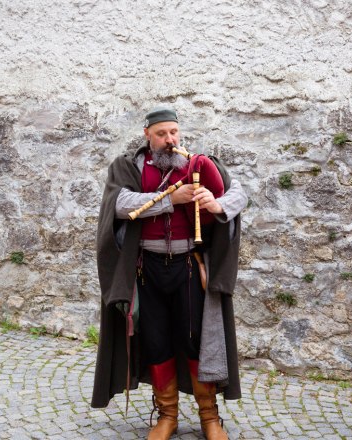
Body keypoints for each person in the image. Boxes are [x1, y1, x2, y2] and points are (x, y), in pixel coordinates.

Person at [91, 106, 246, 440]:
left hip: (188, 267)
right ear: (148, 135)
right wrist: (171, 199)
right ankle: (167, 416)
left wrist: (217, 205)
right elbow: (118, 204)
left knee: (195, 342)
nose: (169, 140)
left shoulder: (199, 163)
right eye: (161, 134)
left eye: (173, 133)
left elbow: (240, 194)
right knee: (157, 341)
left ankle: (210, 417)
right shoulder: (128, 166)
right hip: (146, 270)